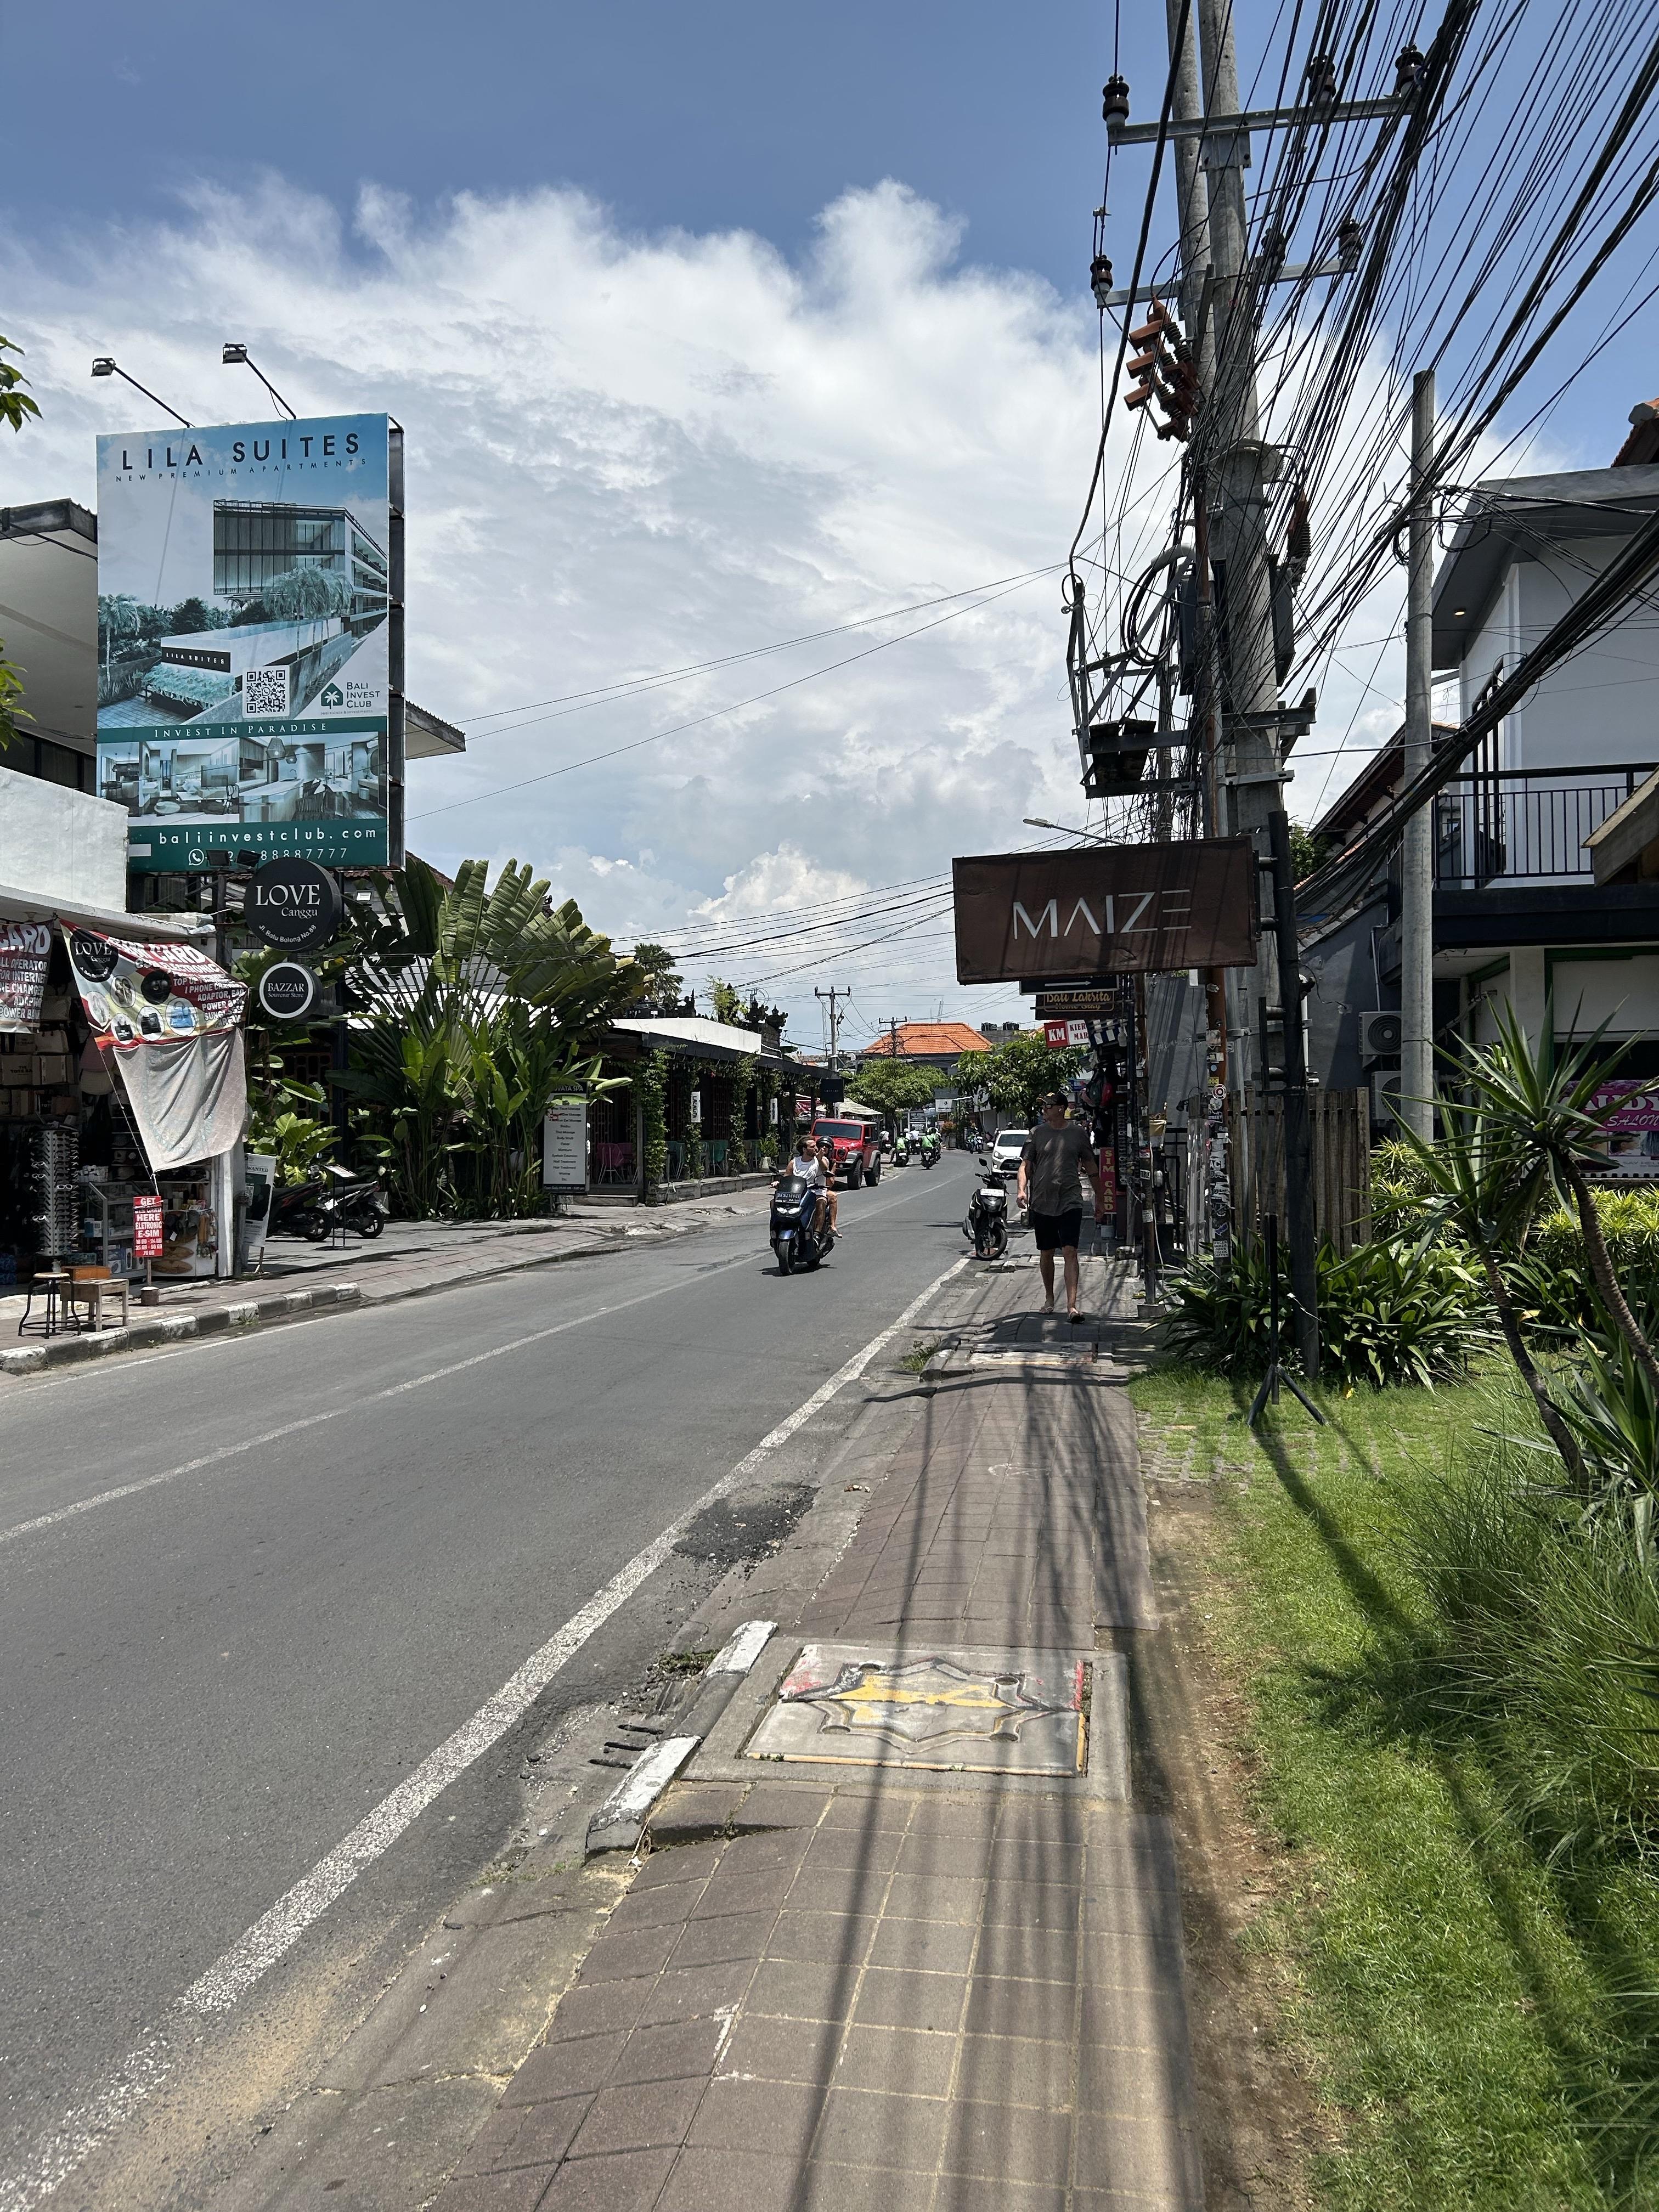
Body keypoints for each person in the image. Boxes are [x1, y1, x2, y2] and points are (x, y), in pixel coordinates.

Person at [1018, 1092, 1107, 1321]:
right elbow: (1025, 1165)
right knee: (1046, 1252)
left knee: (1070, 1251)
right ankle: (1049, 1298)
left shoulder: (1077, 1133)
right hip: (1042, 1201)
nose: (1044, 1110)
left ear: (1061, 1108)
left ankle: (1072, 1306)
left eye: (1048, 1106)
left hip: (1070, 1200)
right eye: (1043, 1107)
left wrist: (1101, 1199)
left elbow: (1091, 1167)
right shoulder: (1036, 1133)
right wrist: (1021, 1190)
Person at [788, 1128, 827, 1238]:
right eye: (812, 1147)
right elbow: (787, 1178)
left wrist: (820, 1159)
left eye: (816, 1146)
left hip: (816, 1192)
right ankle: (777, 1230)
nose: (816, 1148)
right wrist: (778, 1183)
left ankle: (817, 1234)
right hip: (797, 1194)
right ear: (804, 1150)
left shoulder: (820, 1160)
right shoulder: (794, 1162)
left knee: (821, 1202)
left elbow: (825, 1169)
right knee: (774, 1203)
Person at [816, 1138, 842, 1233]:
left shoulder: (832, 1162)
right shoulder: (811, 1159)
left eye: (826, 1147)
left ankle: (832, 1226)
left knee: (833, 1196)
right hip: (809, 1188)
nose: (823, 1148)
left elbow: (830, 1183)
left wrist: (826, 1172)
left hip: (822, 1188)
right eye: (821, 1146)